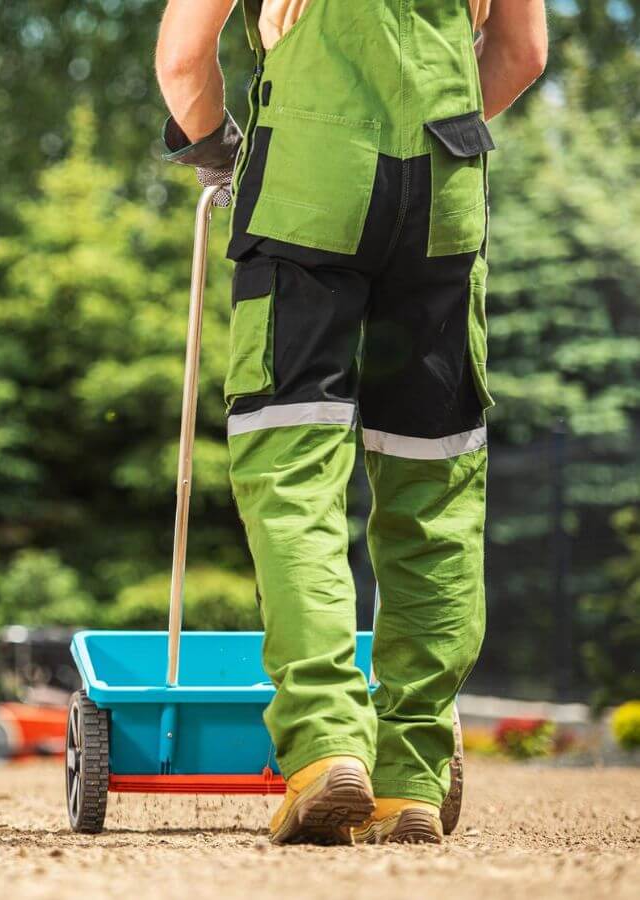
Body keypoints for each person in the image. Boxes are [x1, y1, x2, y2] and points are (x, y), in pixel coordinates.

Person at [156, 0, 546, 845]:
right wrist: (432, 122)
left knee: (292, 470)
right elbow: (521, 54)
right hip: (444, 194)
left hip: (308, 186)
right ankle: (411, 771)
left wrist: (226, 155)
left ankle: (328, 744)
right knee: (433, 481)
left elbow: (185, 59)